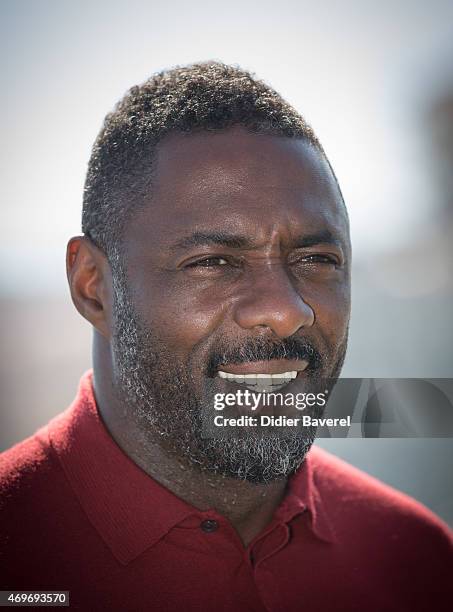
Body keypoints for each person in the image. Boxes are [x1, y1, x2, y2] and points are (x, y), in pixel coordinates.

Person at [1, 62, 452, 611]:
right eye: (214, 261)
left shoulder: (417, 558)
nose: (285, 313)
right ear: (93, 287)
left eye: (315, 259)